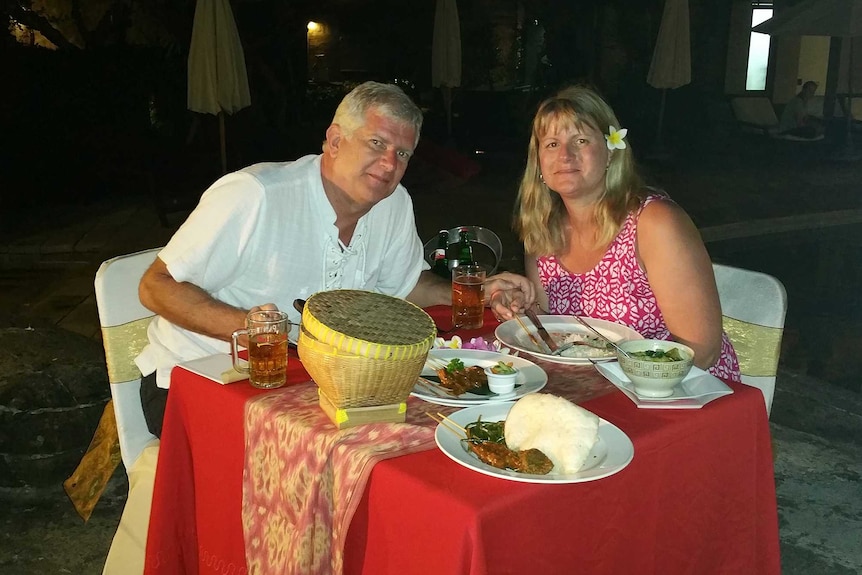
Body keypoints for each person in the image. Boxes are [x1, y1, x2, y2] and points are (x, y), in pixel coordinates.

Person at [135, 81, 536, 436]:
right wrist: (251, 330)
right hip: (194, 380)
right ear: (335, 140)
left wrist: (477, 290)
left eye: (402, 153)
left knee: (433, 429)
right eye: (376, 143)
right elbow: (156, 286)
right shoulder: (255, 195)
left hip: (313, 382)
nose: (389, 164)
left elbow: (407, 286)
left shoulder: (393, 204)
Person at [512, 85, 740, 381]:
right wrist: (522, 306)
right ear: (539, 163)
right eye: (552, 144)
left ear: (610, 153)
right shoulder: (543, 231)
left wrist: (614, 384)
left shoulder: (655, 223)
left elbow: (702, 351)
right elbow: (551, 331)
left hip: (682, 391)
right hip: (593, 385)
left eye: (580, 140)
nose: (565, 155)